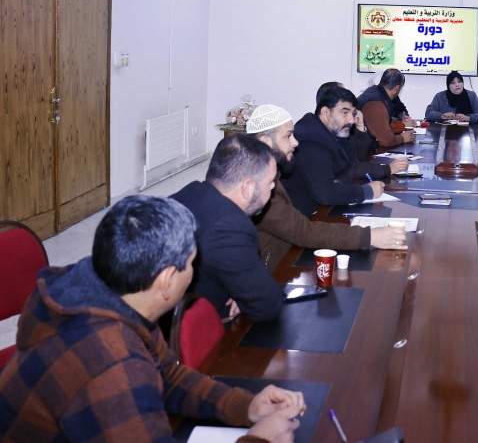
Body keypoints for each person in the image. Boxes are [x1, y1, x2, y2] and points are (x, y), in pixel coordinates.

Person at [0, 196, 305, 442]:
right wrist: (260, 439)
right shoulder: (112, 364)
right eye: (191, 264)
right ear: (167, 280)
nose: (193, 273)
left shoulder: (110, 289)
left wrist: (243, 406)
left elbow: (166, 375)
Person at [247, 104, 408, 271]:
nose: (295, 142)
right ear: (265, 142)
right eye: (288, 136)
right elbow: (303, 231)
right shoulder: (255, 185)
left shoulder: (264, 169)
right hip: (272, 271)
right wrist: (370, 236)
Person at [171, 134, 282, 322]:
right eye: (271, 181)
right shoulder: (229, 228)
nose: (273, 187)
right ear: (247, 187)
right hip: (199, 330)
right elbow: (267, 304)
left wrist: (242, 294)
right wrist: (246, 297)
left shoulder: (192, 192)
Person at [283, 86, 409, 218]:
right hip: (306, 217)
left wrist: (341, 182)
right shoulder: (311, 140)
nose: (351, 120)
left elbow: (348, 169)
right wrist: (366, 191)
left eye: (353, 113)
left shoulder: (329, 132)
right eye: (344, 113)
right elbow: (326, 194)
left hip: (321, 209)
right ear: (325, 113)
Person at [358, 69, 414, 147]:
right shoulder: (376, 103)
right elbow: (386, 141)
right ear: (397, 88)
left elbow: (387, 126)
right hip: (364, 151)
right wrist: (403, 138)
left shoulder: (377, 93)